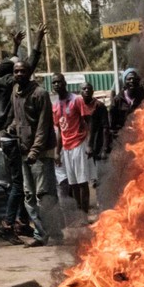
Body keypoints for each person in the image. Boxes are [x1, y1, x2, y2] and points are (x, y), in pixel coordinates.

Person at [0, 27, 46, 242]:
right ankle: (8, 224)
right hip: (12, 138)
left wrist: (16, 46)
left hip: (9, 137)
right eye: (16, 70)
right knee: (19, 185)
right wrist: (37, 41)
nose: (20, 72)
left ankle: (21, 223)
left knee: (22, 184)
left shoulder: (4, 83)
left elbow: (15, 65)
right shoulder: (10, 85)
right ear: (11, 73)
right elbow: (28, 66)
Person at [7, 56, 59, 247]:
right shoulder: (15, 92)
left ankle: (50, 231)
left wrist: (35, 151)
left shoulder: (40, 94)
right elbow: (19, 119)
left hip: (40, 153)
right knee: (29, 195)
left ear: (29, 73)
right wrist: (11, 128)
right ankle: (41, 233)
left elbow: (44, 126)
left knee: (44, 194)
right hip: (23, 152)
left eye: (23, 71)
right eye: (16, 71)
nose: (19, 74)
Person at [52, 75, 95, 218]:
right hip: (66, 148)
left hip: (79, 144)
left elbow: (89, 122)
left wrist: (89, 144)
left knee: (82, 182)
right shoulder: (56, 105)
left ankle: (85, 214)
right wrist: (57, 152)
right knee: (73, 184)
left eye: (59, 82)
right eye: (54, 83)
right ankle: (78, 215)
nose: (57, 84)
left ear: (65, 83)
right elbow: (59, 130)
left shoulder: (76, 100)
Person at [83, 83, 113, 211]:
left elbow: (106, 128)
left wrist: (105, 148)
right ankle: (86, 207)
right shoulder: (79, 106)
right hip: (82, 147)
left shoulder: (99, 106)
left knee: (100, 178)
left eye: (88, 89)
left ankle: (102, 205)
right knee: (85, 179)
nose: (86, 91)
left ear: (92, 91)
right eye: (83, 89)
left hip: (98, 146)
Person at [109, 67, 144, 135]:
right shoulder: (117, 100)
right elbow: (112, 124)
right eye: (129, 79)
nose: (132, 81)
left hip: (141, 137)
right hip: (122, 138)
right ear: (124, 81)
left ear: (139, 81)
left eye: (134, 79)